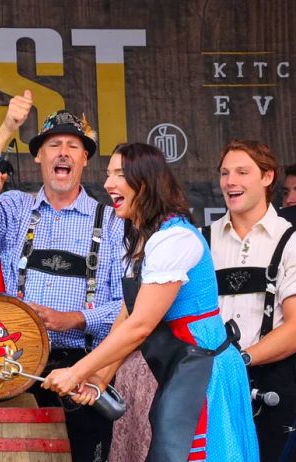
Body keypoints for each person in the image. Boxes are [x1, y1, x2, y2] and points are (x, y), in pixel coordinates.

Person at [44, 142, 259, 461]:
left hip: (205, 373)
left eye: (118, 174)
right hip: (182, 369)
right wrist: (101, 377)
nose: (107, 183)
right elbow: (129, 312)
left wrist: (76, 372)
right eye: (107, 174)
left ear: (143, 182)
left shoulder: (175, 239)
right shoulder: (141, 239)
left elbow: (141, 325)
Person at [0, 91, 123, 461]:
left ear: (84, 159)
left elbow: (129, 309)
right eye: (54, 145)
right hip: (18, 369)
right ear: (38, 156)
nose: (63, 152)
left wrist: (77, 318)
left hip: (84, 372)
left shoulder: (110, 222)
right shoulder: (16, 209)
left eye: (73, 146)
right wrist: (6, 128)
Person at [206, 140, 296, 462]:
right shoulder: (202, 241)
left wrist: (238, 360)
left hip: (273, 390)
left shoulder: (290, 241)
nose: (231, 181)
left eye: (243, 172)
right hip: (209, 389)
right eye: (225, 173)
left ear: (267, 176)